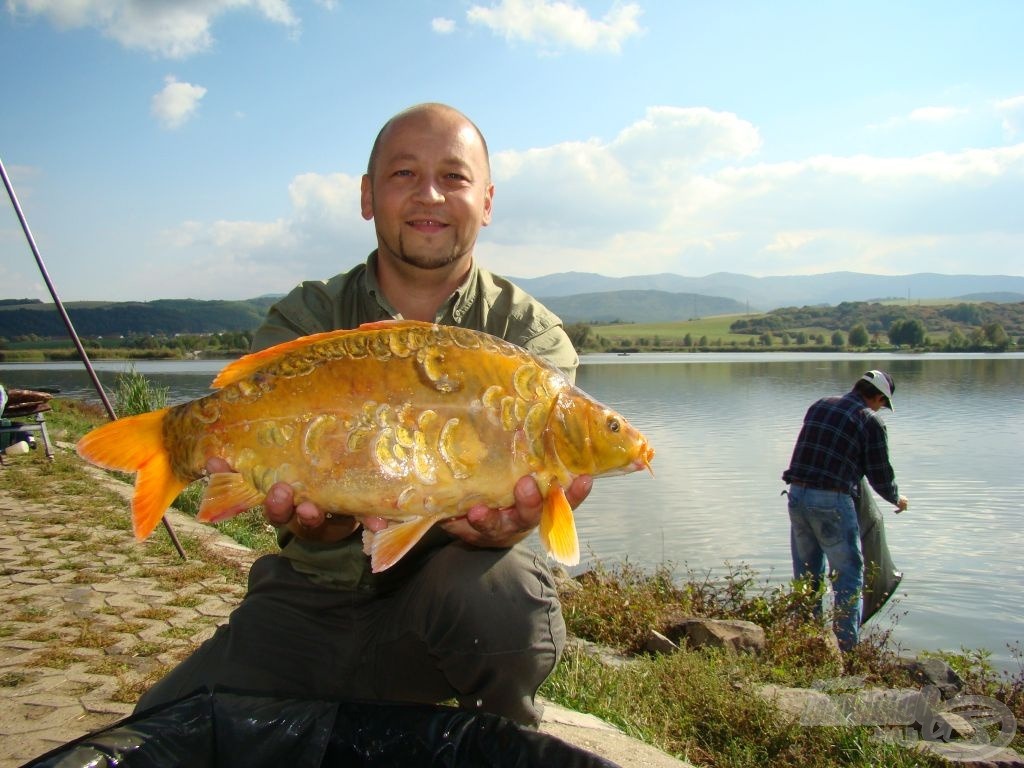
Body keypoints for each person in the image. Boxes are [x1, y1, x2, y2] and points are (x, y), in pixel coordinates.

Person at [134, 103, 592, 727]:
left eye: (454, 177)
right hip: (309, 599)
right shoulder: (306, 318)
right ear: (367, 195)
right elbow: (291, 513)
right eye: (403, 173)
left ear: (486, 200)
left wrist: (506, 527)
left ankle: (494, 732)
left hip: (453, 604)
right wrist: (318, 525)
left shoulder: (528, 340)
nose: (428, 193)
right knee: (163, 725)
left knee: (502, 591)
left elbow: (532, 495)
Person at [781, 369, 909, 653]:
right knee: (848, 575)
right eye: (882, 404)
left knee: (806, 573)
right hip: (832, 502)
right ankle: (846, 650)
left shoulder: (820, 404)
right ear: (876, 397)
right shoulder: (869, 420)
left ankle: (806, 639)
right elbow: (879, 473)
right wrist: (896, 498)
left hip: (797, 495)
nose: (880, 409)